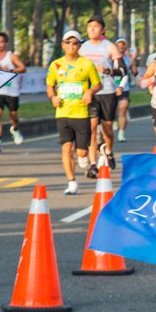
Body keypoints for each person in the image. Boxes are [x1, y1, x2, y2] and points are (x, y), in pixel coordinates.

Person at [46, 31, 101, 195]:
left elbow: (98, 84)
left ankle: (84, 157)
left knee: (81, 152)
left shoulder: (87, 64)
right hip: (63, 112)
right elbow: (50, 85)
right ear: (63, 45)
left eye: (75, 43)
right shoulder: (55, 65)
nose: (71, 46)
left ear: (79, 46)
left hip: (81, 113)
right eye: (68, 42)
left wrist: (90, 92)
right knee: (66, 148)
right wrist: (52, 97)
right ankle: (71, 182)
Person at [79, 15, 126, 177]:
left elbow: (122, 71)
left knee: (107, 129)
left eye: (96, 26)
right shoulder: (82, 48)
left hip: (107, 91)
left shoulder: (110, 47)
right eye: (89, 26)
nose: (92, 29)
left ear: (103, 30)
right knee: (91, 128)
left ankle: (109, 150)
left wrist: (107, 71)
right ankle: (92, 164)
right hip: (89, 93)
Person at [0, 32, 26, 150]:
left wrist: (11, 70)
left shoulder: (11, 56)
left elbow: (23, 67)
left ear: (6, 43)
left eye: (1, 42)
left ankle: (15, 129)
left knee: (13, 115)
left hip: (12, 91)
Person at [114, 37, 138, 142]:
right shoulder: (111, 58)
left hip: (124, 87)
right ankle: (114, 120)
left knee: (123, 109)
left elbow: (135, 73)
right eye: (119, 45)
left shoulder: (129, 59)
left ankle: (121, 133)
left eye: (123, 45)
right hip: (111, 87)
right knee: (114, 111)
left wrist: (134, 67)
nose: (121, 47)